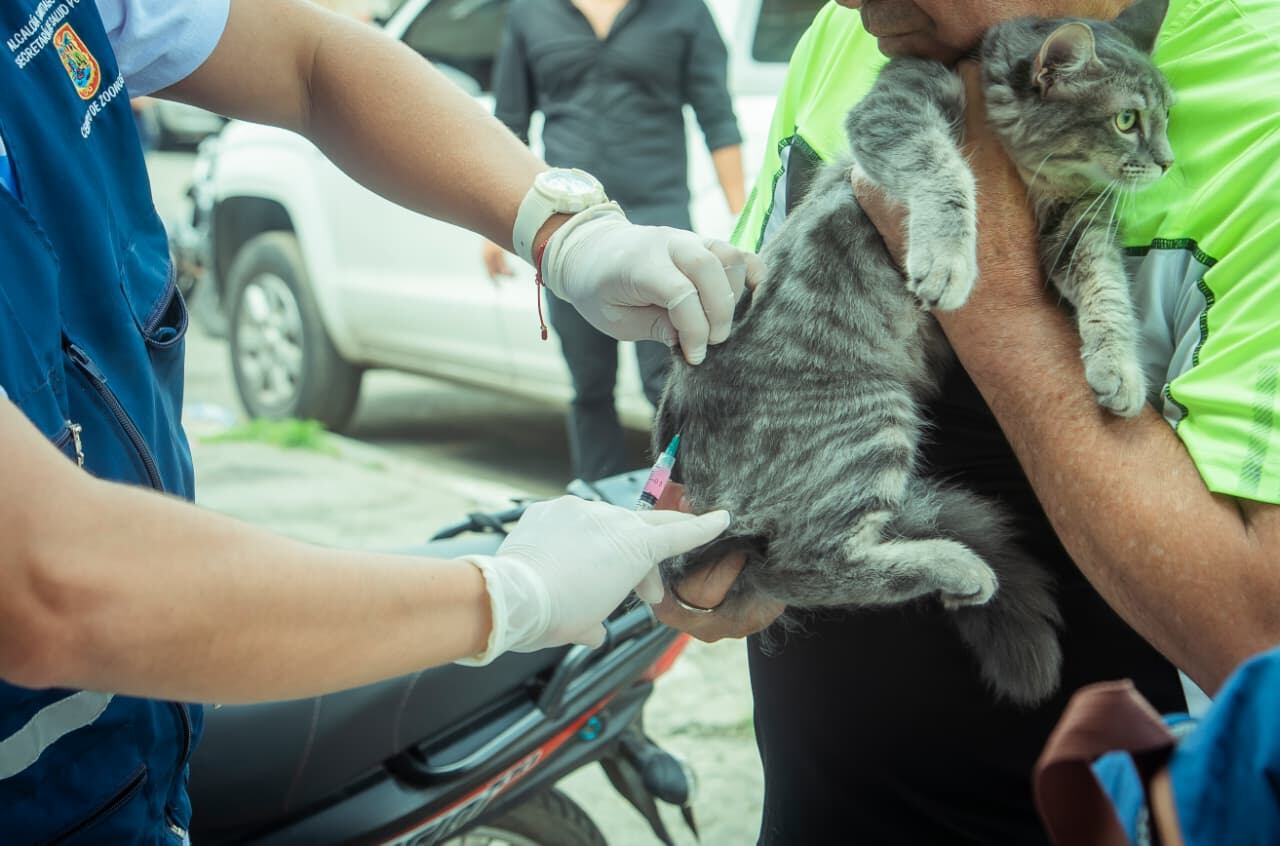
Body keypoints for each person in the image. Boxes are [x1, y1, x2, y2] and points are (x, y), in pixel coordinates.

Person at [0, 0, 763, 840]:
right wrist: (507, 597)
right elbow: (51, 584)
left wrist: (567, 229)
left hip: (135, 756)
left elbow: (309, 56)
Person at [650, 0, 1280, 842]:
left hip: (1083, 812)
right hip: (814, 800)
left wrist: (1006, 304)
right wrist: (672, 491)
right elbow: (747, 353)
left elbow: (1258, 643)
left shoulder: (1263, 96)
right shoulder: (869, 29)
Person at [481, 0, 746, 482]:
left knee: (669, 382)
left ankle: (684, 504)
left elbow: (717, 116)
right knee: (589, 384)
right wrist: (493, 229)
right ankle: (596, 499)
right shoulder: (530, 13)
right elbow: (510, 121)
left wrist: (743, 214)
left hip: (659, 220)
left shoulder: (683, 12)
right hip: (569, 227)